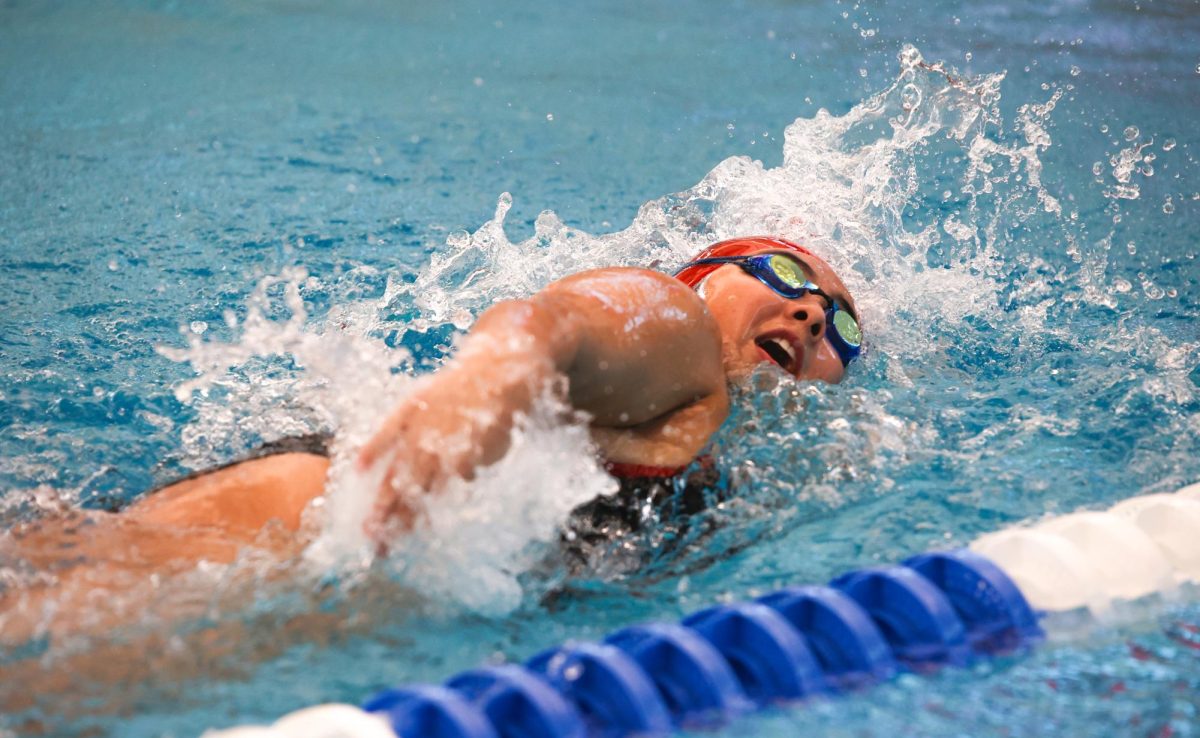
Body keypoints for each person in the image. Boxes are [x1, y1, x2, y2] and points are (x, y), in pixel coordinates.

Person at [0, 236, 860, 640]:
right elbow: (548, 326)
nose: (812, 310)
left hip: (326, 565)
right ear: (702, 277)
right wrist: (489, 385)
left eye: (841, 331)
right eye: (782, 271)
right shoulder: (678, 336)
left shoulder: (712, 477)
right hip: (288, 529)